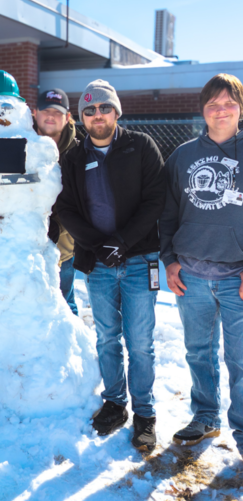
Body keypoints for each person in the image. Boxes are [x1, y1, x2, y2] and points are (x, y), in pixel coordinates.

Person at [54, 79, 165, 452]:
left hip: (138, 259)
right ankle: (115, 403)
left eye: (104, 108)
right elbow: (65, 207)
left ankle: (145, 413)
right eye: (89, 110)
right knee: (106, 338)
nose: (97, 115)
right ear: (81, 117)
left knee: (141, 342)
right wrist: (96, 245)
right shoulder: (72, 157)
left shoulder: (140, 146)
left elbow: (155, 200)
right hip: (98, 263)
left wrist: (123, 242)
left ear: (116, 111)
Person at [159, 73, 243, 457]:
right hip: (191, 275)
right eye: (213, 104)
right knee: (198, 352)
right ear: (203, 110)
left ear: (240, 108)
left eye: (229, 103)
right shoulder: (182, 156)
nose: (221, 110)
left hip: (236, 277)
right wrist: (170, 260)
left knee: (240, 358)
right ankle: (206, 417)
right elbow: (168, 213)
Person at [33, 88, 83, 315]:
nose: (50, 116)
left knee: (64, 304)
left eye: (57, 111)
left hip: (65, 247)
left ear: (68, 117)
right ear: (34, 113)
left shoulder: (81, 152)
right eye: (45, 110)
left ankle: (70, 350)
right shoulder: (21, 145)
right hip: (27, 244)